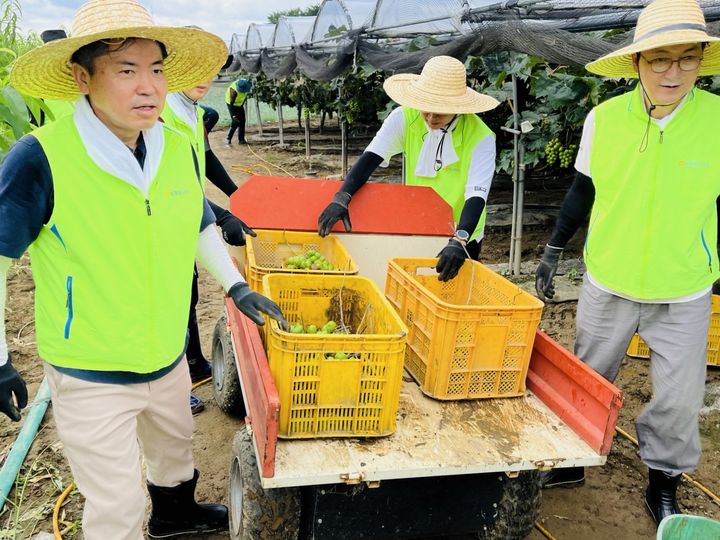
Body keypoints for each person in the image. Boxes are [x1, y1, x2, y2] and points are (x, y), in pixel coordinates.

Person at [0, 1, 287, 538]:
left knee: (175, 452)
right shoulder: (41, 158)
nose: (148, 87)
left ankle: (175, 516)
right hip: (91, 369)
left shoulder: (175, 147)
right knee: (117, 507)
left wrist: (237, 285)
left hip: (165, 356)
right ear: (82, 77)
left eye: (156, 70)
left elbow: (197, 223)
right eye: (126, 70)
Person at [534, 0, 720, 526]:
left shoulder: (718, 122)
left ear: (702, 60)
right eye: (659, 59)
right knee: (590, 375)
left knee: (680, 400)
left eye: (687, 59)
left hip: (683, 288)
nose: (673, 72)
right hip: (608, 279)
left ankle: (663, 480)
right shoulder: (604, 119)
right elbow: (582, 190)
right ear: (637, 62)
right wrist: (552, 249)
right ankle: (573, 458)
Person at [316, 55, 500, 281]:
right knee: (414, 285)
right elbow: (371, 157)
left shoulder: (481, 137)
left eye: (440, 111)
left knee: (451, 289)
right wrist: (342, 197)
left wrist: (459, 239)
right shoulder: (405, 117)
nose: (431, 117)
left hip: (462, 228)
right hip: (420, 219)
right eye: (426, 108)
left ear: (458, 107)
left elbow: (476, 195)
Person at [162, 80, 256, 413]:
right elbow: (171, 187)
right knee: (169, 298)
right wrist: (221, 215)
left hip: (186, 215)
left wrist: (237, 195)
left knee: (188, 291)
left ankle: (194, 361)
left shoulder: (193, 113)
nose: (203, 78)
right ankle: (171, 386)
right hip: (162, 218)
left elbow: (207, 158)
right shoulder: (160, 114)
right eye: (194, 71)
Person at [224, 77, 251, 146]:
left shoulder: (246, 83)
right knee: (235, 121)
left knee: (242, 121)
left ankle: (241, 140)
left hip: (239, 104)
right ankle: (228, 138)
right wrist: (233, 115)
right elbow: (231, 104)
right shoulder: (233, 92)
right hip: (232, 104)